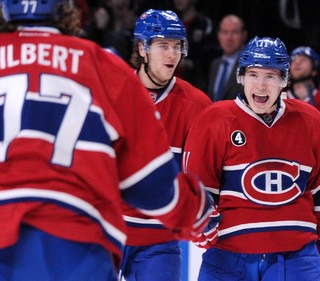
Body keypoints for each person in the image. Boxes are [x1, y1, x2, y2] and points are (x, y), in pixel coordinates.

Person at [0, 1, 215, 280]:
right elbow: (151, 182)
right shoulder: (103, 65)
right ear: (67, 12)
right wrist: (197, 209)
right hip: (76, 239)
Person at [184, 36, 320, 280]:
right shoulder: (214, 119)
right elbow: (197, 187)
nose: (261, 85)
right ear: (242, 77)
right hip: (228, 255)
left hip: (297, 255)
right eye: (254, 75)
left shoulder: (311, 121)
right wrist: (200, 218)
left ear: (283, 81)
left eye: (270, 76)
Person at [120, 9, 213, 281]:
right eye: (163, 45)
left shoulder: (197, 106)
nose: (172, 54)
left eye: (177, 46)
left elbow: (203, 173)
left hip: (159, 238)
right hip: (107, 231)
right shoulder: (111, 90)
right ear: (142, 48)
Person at [287, 46, 320, 190]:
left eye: (303, 59)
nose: (297, 62)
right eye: (293, 59)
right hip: (288, 180)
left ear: (315, 69)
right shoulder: (279, 100)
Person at [172, 0, 219, 92]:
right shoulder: (171, 23)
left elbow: (213, 55)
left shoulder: (204, 24)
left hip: (195, 84)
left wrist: (190, 63)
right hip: (171, 82)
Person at [207, 14, 247, 102]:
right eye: (225, 32)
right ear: (218, 35)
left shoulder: (249, 66)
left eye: (234, 32)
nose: (229, 38)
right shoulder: (215, 64)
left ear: (244, 35)